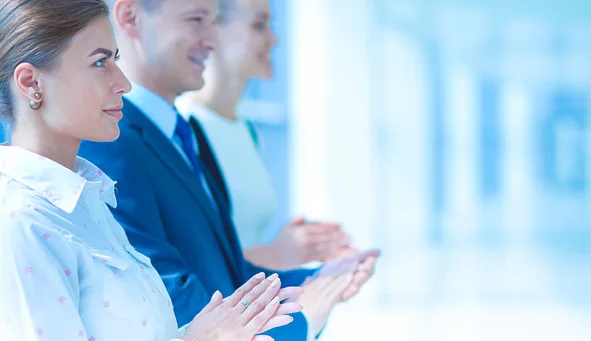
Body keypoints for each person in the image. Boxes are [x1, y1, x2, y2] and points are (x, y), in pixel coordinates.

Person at [0, 0, 304, 340]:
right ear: (31, 83)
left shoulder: (91, 203)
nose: (123, 83)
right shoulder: (20, 223)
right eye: (100, 62)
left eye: (115, 59)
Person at [78, 0, 380, 339]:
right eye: (196, 20)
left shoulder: (187, 133)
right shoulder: (107, 140)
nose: (211, 38)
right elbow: (168, 300)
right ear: (130, 17)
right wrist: (304, 318)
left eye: (214, 21)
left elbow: (229, 273)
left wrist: (319, 281)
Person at [175, 0, 355, 270]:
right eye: (259, 26)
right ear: (212, 31)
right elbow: (188, 265)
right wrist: (280, 254)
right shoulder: (180, 130)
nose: (273, 40)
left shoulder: (245, 129)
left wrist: (302, 250)